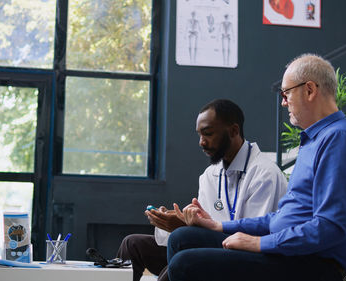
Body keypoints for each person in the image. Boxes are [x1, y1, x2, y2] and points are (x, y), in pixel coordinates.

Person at [167, 54, 346, 281]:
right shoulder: (315, 140)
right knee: (182, 238)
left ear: (309, 90)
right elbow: (280, 218)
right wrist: (219, 225)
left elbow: (330, 227)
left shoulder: (339, 139)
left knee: (185, 264)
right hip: (289, 253)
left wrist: (259, 243)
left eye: (286, 93)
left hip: (311, 264)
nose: (283, 102)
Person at [117, 99, 288, 281]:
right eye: (199, 135)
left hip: (249, 257)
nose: (201, 142)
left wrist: (185, 229)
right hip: (215, 247)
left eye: (207, 134)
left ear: (234, 131)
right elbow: (202, 229)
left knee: (183, 252)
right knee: (133, 243)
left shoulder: (264, 174)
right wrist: (178, 221)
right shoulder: (210, 174)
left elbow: (251, 238)